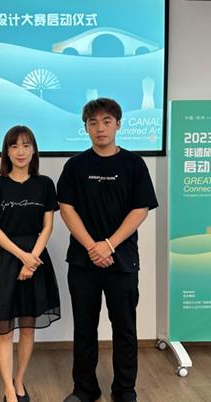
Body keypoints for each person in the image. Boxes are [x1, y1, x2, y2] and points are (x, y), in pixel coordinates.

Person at [57, 98, 158, 402]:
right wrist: (92, 247)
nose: (100, 128)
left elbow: (140, 210)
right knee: (84, 328)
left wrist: (109, 245)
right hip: (83, 262)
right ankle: (84, 389)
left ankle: (124, 390)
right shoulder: (75, 166)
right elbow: (66, 208)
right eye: (93, 123)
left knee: (125, 329)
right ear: (86, 128)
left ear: (118, 125)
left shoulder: (134, 164)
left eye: (106, 121)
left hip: (122, 261)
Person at [0, 125, 61, 402]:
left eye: (26, 145)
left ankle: (19, 382)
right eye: (14, 146)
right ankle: (8, 388)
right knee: (4, 330)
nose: (20, 151)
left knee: (28, 328)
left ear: (34, 150)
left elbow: (48, 226)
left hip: (36, 261)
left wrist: (32, 259)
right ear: (6, 151)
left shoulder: (45, 184)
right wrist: (22, 256)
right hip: (4, 261)